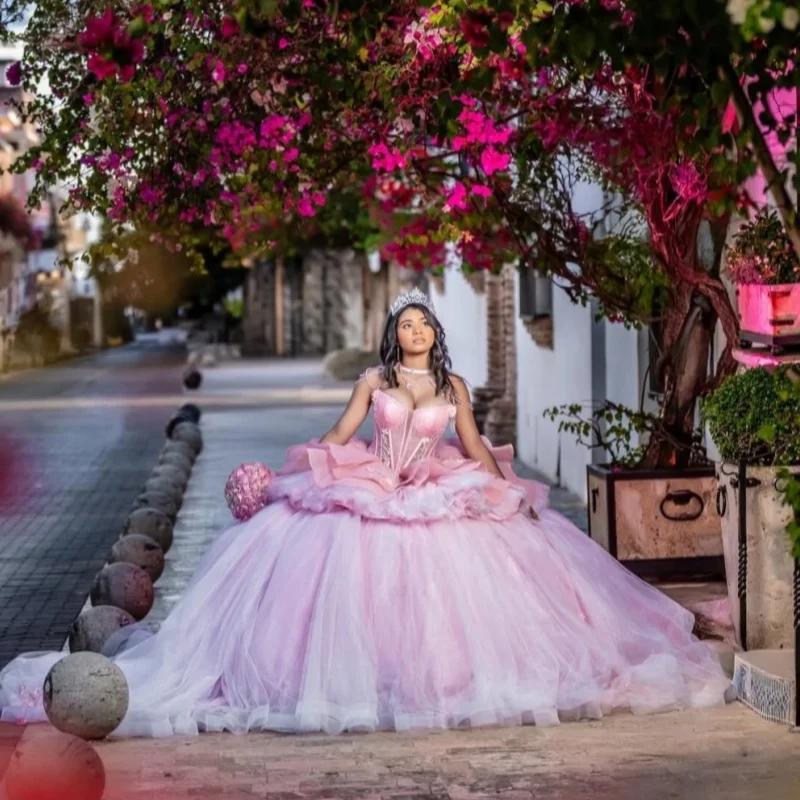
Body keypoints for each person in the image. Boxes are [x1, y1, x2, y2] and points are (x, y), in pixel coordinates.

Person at [0, 288, 731, 737]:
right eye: (405, 324)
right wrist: (295, 475)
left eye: (423, 324)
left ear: (434, 334)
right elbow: (339, 438)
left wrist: (508, 490)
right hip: (377, 482)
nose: (414, 332)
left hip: (441, 483)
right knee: (363, 585)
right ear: (394, 334)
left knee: (465, 592)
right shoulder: (374, 379)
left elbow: (473, 446)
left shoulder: (457, 384)